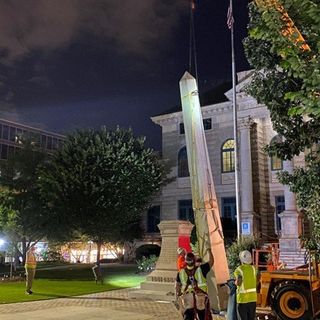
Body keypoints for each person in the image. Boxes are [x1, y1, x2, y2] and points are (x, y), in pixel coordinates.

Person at [175, 249, 214, 320]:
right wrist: (209, 251)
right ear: (194, 260)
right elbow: (211, 262)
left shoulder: (181, 273)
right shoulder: (201, 269)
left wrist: (177, 297)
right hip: (200, 296)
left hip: (187, 297)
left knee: (188, 314)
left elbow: (177, 286)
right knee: (202, 314)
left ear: (185, 261)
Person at [234, 250, 259, 320]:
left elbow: (238, 282)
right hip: (253, 299)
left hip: (242, 300)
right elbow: (258, 276)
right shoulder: (254, 268)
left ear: (241, 260)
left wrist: (235, 283)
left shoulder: (239, 269)